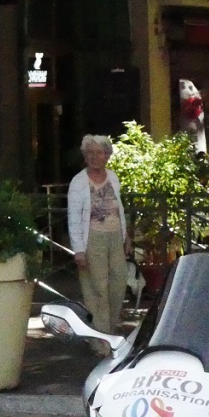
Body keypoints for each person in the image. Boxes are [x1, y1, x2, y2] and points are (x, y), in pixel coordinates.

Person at [67, 134, 130, 347]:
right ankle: (101, 342)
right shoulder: (78, 182)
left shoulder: (113, 177)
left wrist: (126, 237)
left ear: (107, 155)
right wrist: (78, 250)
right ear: (85, 156)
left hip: (115, 236)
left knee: (118, 284)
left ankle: (109, 332)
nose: (94, 157)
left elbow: (119, 209)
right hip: (92, 238)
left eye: (99, 153)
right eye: (90, 153)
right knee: (98, 289)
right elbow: (74, 218)